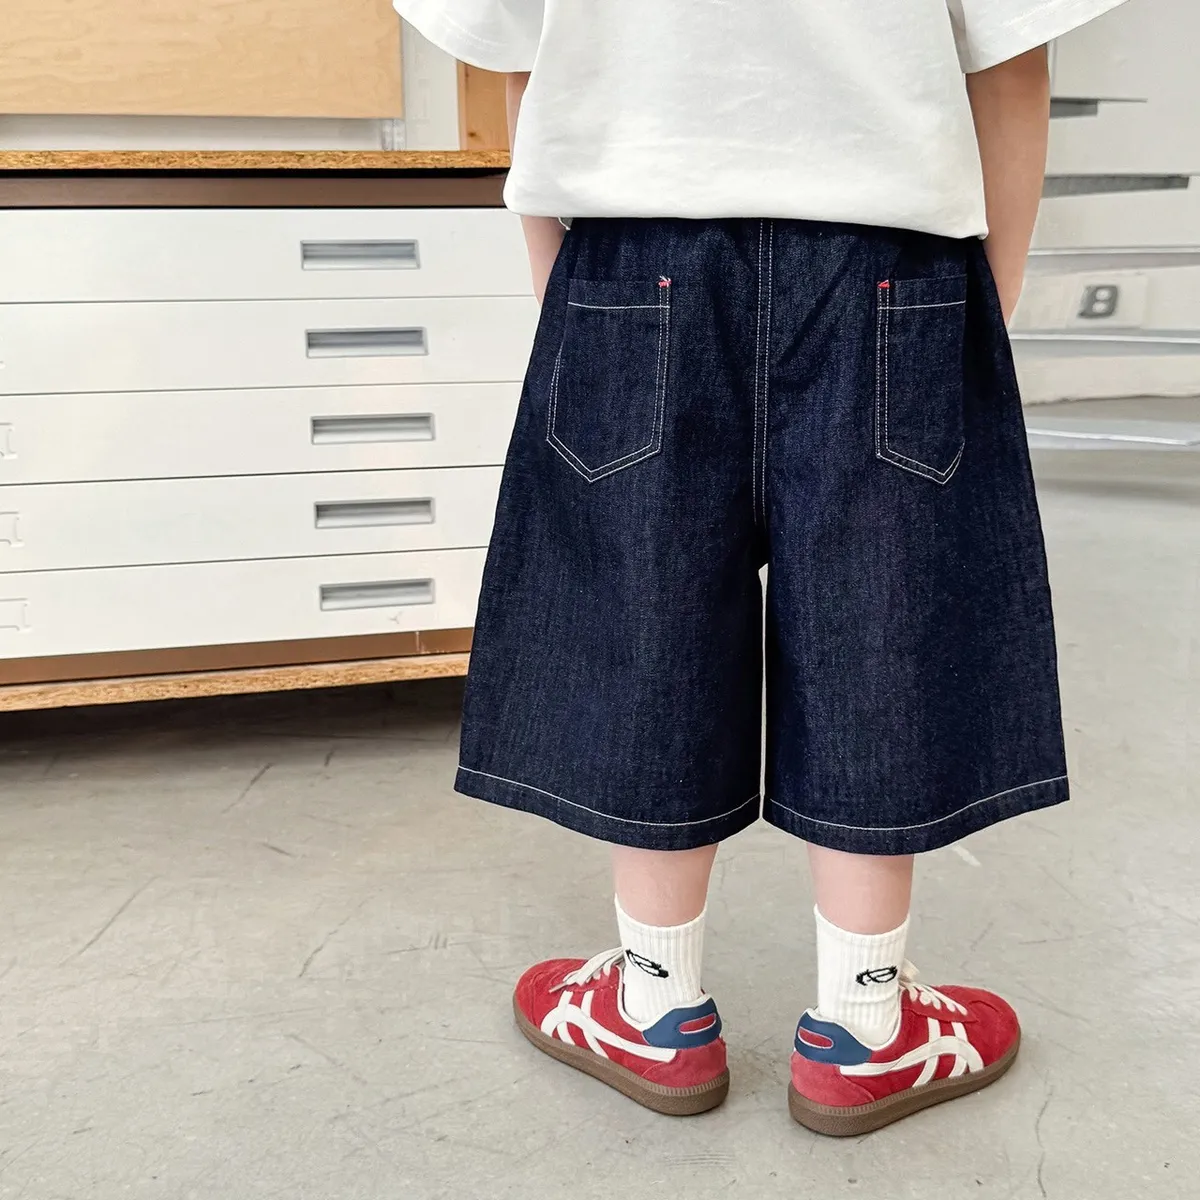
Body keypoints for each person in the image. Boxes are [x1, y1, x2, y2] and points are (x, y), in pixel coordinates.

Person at [395, 0, 1126, 1134]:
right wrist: (992, 290)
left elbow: (521, 63)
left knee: (645, 618)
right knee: (884, 622)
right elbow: (1012, 65)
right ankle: (866, 1026)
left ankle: (653, 1006)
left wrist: (563, 285)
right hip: (895, 257)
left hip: (633, 257)